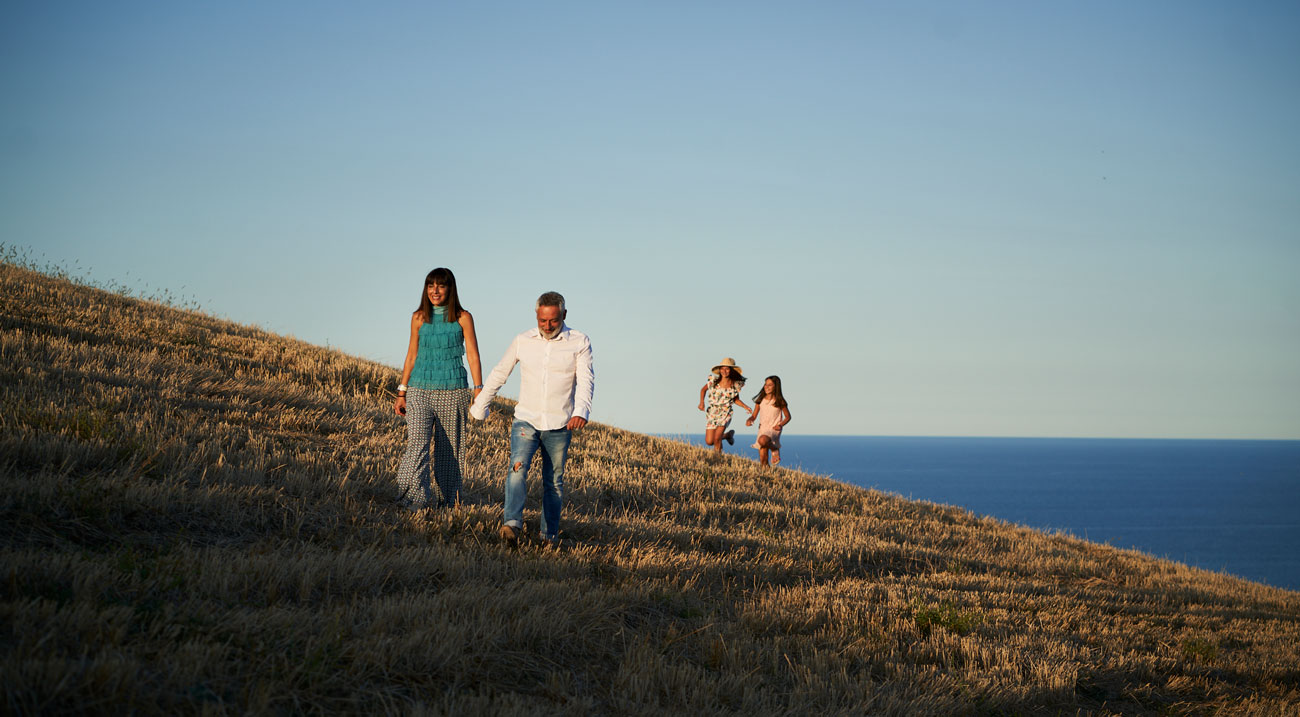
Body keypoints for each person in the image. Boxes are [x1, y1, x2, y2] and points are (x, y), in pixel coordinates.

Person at [469, 291, 594, 549]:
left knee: (554, 481)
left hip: (560, 423)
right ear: (536, 316)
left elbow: (586, 380)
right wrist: (481, 404)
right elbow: (500, 372)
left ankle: (549, 536)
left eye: (553, 321)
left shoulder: (579, 341)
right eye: (542, 321)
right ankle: (511, 525)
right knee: (517, 469)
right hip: (526, 420)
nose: (547, 326)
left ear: (564, 315)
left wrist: (581, 410)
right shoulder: (522, 340)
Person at [393, 268, 483, 510]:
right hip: (418, 390)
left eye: (441, 285)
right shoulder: (419, 317)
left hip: (452, 390)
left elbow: (473, 355)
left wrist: (478, 389)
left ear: (450, 288)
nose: (435, 290)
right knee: (417, 443)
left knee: (449, 450)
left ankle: (449, 502)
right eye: (430, 285)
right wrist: (402, 392)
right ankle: (413, 498)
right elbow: (411, 355)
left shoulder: (463, 317)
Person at [697, 358, 750, 455]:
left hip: (725, 413)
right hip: (712, 412)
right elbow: (703, 390)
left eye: (727, 369)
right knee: (709, 441)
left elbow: (736, 399)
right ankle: (727, 436)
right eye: (722, 368)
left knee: (717, 438)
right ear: (719, 370)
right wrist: (701, 403)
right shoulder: (713, 381)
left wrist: (745, 407)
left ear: (731, 370)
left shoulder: (735, 385)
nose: (724, 371)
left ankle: (718, 459)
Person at [746, 375, 791, 468]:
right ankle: (766, 472)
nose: (766, 387)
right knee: (763, 458)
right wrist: (749, 420)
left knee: (762, 440)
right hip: (762, 429)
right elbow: (754, 415)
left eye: (770, 385)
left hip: (774, 429)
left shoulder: (779, 401)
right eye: (765, 384)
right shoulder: (760, 400)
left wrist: (781, 425)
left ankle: (774, 449)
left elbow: (788, 417)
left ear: (776, 386)